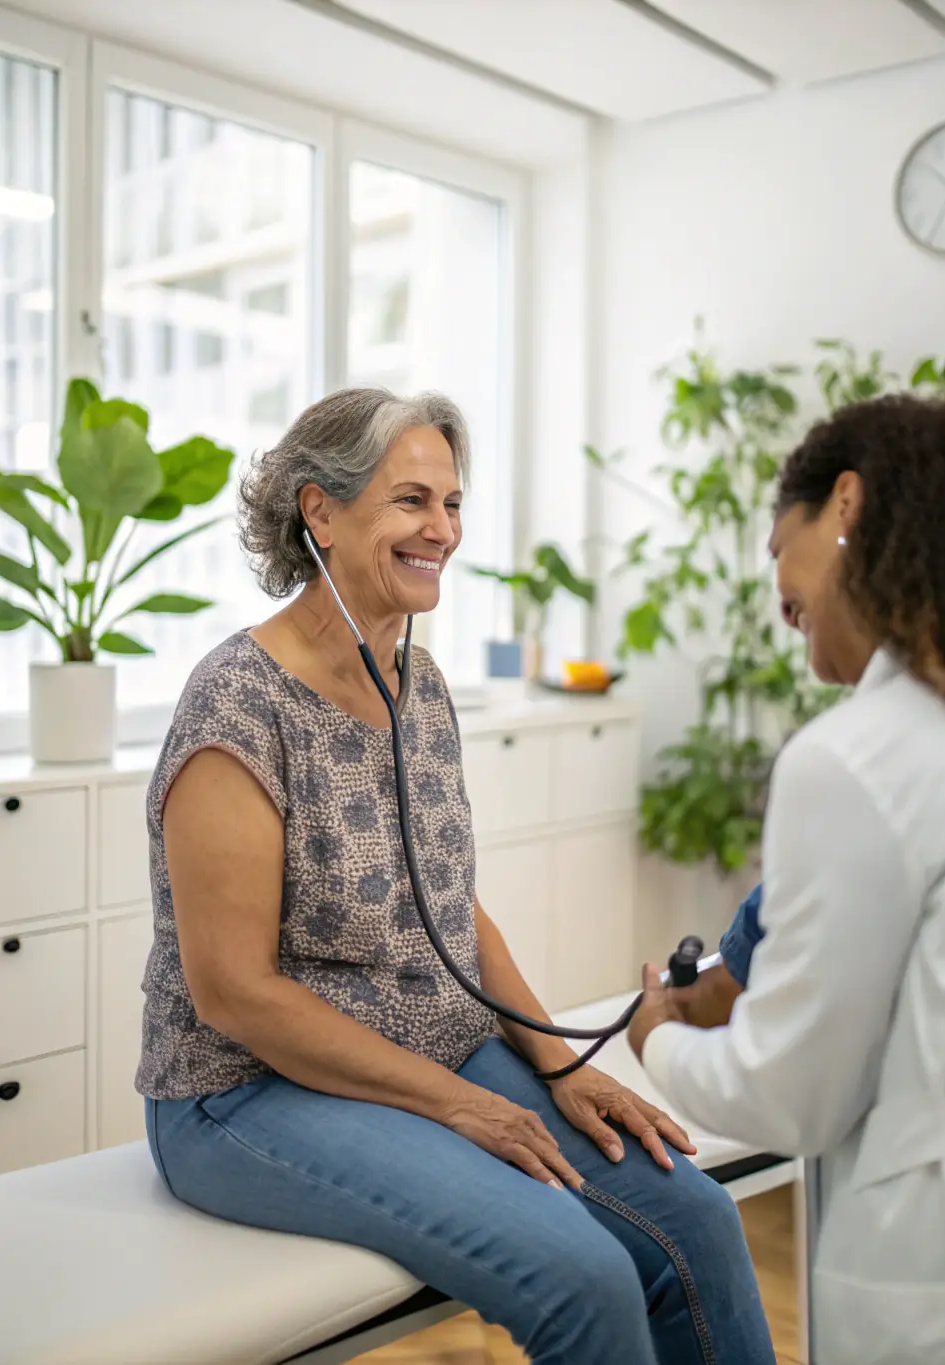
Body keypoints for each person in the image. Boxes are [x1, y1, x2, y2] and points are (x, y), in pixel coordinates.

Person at [137, 387, 776, 1365]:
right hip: (248, 1091)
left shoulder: (418, 684)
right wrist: (457, 1102)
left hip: (435, 1048)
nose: (443, 528)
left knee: (698, 1224)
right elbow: (234, 994)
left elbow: (448, 908)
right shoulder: (237, 707)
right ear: (320, 510)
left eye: (452, 502)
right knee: (585, 1276)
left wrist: (560, 1063)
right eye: (410, 501)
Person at [629, 392, 945, 1365]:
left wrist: (656, 1043)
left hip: (941, 1269)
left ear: (845, 503)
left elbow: (789, 1099)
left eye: (777, 549)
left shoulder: (853, 758)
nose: (777, 592)